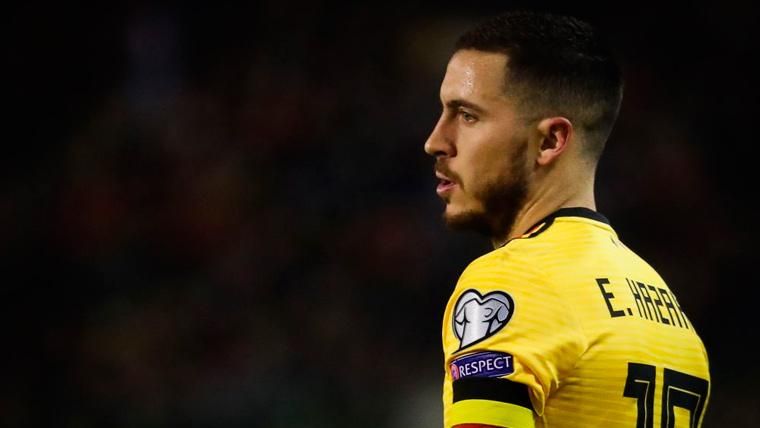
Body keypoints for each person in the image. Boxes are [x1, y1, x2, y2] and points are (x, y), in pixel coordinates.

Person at [424, 11, 710, 428]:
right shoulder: (666, 308)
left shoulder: (514, 278)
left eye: (467, 115)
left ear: (550, 140)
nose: (435, 141)